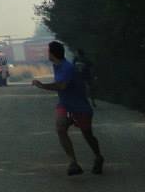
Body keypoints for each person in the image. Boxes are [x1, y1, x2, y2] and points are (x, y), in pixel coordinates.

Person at [33, 41, 104, 175]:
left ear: (53, 54)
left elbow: (61, 86)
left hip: (79, 106)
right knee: (60, 128)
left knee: (87, 135)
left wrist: (43, 86)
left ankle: (98, 157)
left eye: (48, 51)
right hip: (65, 105)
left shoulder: (67, 67)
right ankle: (73, 163)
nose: (47, 54)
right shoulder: (57, 66)